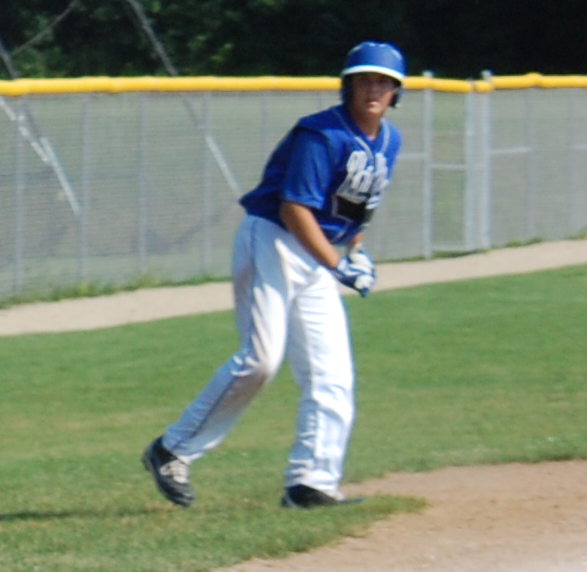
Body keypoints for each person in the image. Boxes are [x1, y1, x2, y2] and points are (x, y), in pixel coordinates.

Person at [144, 43, 406, 511]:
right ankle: (172, 449)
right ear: (348, 86)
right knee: (261, 360)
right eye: (364, 80)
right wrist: (337, 265)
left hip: (316, 253)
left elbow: (356, 209)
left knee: (332, 373)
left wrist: (357, 251)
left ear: (395, 92)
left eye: (384, 82)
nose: (374, 89)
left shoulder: (388, 142)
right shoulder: (321, 134)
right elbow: (294, 208)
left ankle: (311, 484)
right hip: (273, 240)